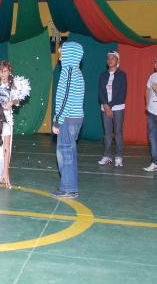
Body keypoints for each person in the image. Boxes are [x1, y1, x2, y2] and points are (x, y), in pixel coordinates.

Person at [51, 42, 85, 199]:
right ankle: (70, 187)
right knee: (69, 152)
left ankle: (69, 189)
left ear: (70, 54)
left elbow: (66, 99)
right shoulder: (75, 71)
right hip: (72, 117)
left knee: (65, 153)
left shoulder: (69, 71)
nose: (60, 56)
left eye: (62, 53)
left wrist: (58, 119)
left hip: (69, 119)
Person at [97, 51, 127, 167]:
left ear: (117, 61)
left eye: (112, 58)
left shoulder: (122, 75)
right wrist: (105, 105)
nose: (110, 60)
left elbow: (122, 93)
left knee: (118, 133)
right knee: (107, 134)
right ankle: (107, 156)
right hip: (105, 107)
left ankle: (119, 156)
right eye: (108, 58)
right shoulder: (103, 75)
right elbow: (100, 92)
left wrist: (110, 106)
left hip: (118, 107)